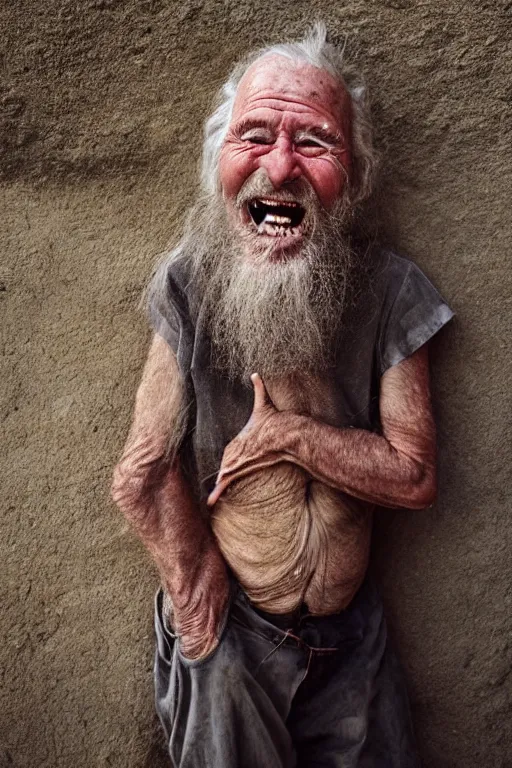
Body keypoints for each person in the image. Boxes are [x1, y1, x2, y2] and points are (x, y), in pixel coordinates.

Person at [111, 23, 453, 768]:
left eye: (315, 142)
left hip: (355, 644)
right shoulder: (188, 286)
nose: (280, 166)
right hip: (233, 641)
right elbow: (141, 471)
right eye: (255, 136)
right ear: (219, 164)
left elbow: (417, 476)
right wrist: (196, 595)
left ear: (354, 174)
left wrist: (292, 436)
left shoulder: (393, 291)